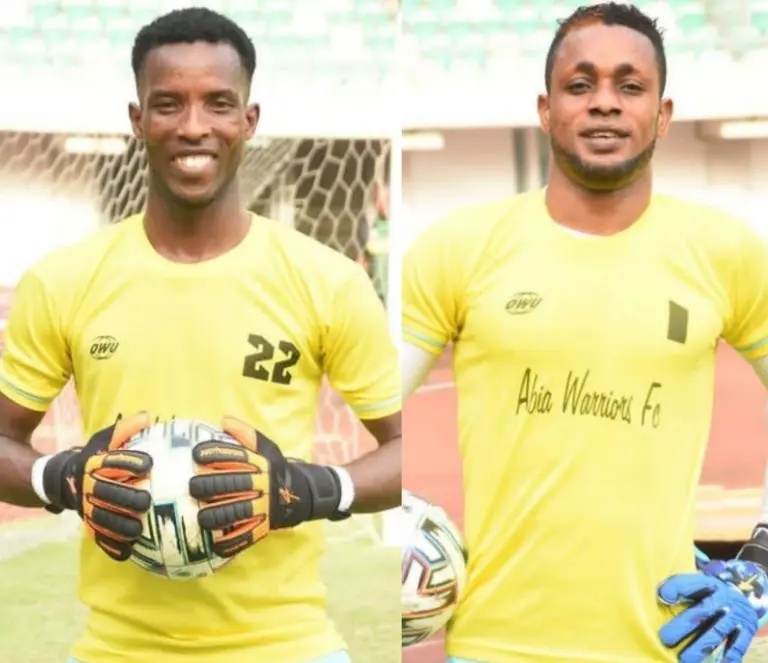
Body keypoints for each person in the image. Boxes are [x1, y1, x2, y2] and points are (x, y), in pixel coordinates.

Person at [0, 8, 401, 663]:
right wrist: (64, 477)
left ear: (249, 119)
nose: (193, 126)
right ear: (137, 120)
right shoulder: (63, 280)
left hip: (287, 646)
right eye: (168, 104)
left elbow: (409, 447)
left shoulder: (327, 280)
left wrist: (310, 490)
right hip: (115, 650)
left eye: (218, 103)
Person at [402, 3, 768, 663]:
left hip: (663, 645)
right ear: (546, 110)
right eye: (580, 84)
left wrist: (763, 559)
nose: (605, 102)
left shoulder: (727, 253)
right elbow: (369, 405)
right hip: (494, 647)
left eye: (630, 85)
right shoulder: (458, 248)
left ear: (663, 114)